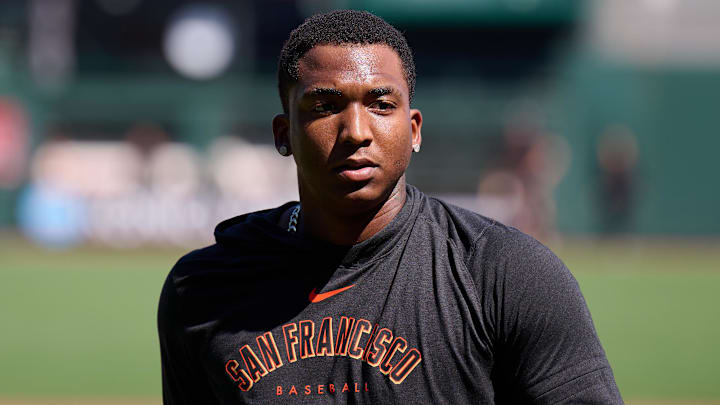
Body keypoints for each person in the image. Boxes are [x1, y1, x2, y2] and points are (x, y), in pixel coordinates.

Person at [158, 10, 623, 404]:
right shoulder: (203, 289)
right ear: (284, 135)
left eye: (381, 104)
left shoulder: (505, 274)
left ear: (414, 130)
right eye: (325, 106)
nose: (356, 132)